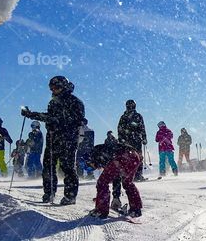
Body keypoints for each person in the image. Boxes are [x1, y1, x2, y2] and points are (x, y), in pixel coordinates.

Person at [22, 76, 85, 205]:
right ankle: (49, 193)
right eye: (51, 88)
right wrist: (32, 115)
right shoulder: (53, 101)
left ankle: (70, 195)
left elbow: (77, 120)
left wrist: (59, 122)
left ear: (63, 87)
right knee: (48, 165)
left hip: (68, 138)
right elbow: (49, 117)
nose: (53, 90)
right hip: (53, 138)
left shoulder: (75, 101)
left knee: (67, 166)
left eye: (56, 88)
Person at [87, 136, 142, 218]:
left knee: (102, 182)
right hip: (134, 156)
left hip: (122, 156)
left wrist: (102, 200)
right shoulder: (104, 150)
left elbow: (113, 177)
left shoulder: (95, 153)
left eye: (92, 167)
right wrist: (115, 197)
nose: (96, 168)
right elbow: (116, 177)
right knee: (127, 183)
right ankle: (136, 209)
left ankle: (101, 211)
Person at [118, 100, 147, 181]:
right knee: (136, 157)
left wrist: (121, 139)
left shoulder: (124, 117)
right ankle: (136, 175)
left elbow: (120, 129)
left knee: (130, 157)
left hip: (129, 140)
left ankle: (131, 175)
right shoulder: (135, 116)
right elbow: (142, 128)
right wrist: (144, 138)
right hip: (133, 140)